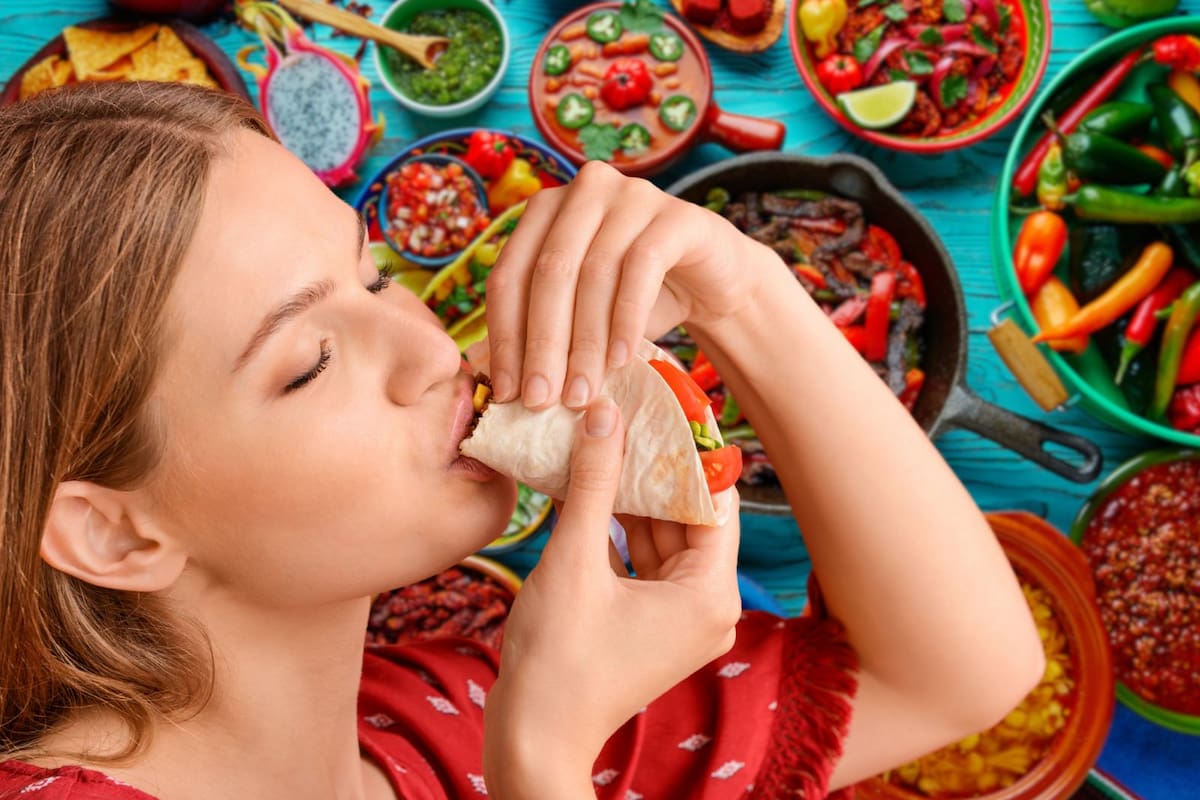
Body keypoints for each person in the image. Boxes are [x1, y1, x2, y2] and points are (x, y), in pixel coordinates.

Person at [0, 81, 1044, 800]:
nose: (422, 345)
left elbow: (955, 672)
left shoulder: (440, 719)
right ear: (113, 534)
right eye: (310, 359)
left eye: (374, 279)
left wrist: (745, 293)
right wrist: (542, 765)